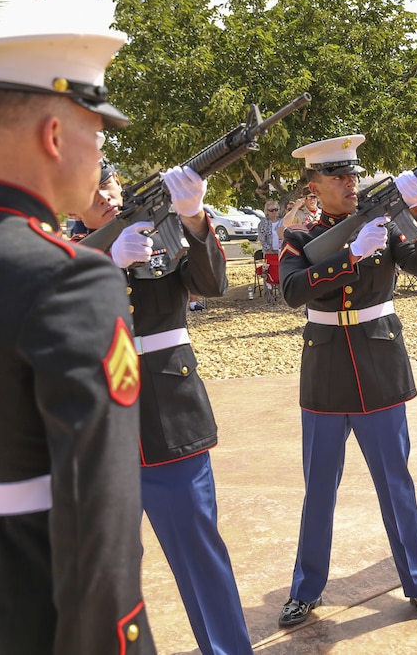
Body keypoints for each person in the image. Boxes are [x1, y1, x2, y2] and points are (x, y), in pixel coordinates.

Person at [0, 32, 155, 653]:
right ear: (55, 136)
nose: (103, 153)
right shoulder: (67, 276)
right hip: (28, 609)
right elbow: (96, 514)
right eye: (100, 133)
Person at [278, 134, 417, 627]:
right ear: (315, 185)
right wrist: (348, 257)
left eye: (353, 174)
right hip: (327, 367)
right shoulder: (303, 237)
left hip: (378, 362)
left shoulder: (384, 224)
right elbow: (291, 290)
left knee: (396, 484)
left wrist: (414, 216)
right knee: (319, 490)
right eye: (338, 176)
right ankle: (306, 589)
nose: (351, 183)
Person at [87, 157, 252, 652]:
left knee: (201, 558)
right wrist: (104, 263)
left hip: (170, 417)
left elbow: (212, 285)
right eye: (91, 192)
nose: (105, 198)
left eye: (110, 188)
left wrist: (195, 217)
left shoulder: (165, 231)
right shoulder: (60, 254)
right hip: (98, 435)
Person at [259, 198, 284, 295]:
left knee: (281, 270)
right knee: (269, 271)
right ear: (267, 212)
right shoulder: (263, 224)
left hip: (281, 251)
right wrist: (268, 249)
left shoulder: (283, 221)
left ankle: (282, 291)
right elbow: (262, 238)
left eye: (276, 209)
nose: (274, 212)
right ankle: (269, 293)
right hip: (269, 251)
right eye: (271, 210)